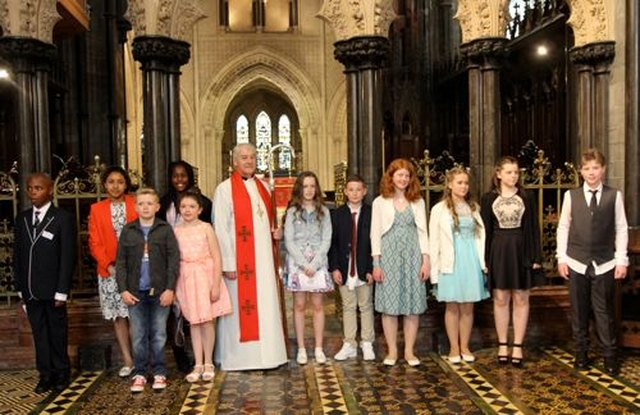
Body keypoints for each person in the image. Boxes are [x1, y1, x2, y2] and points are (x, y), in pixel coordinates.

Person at [212, 143, 287, 371]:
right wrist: (228, 262)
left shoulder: (264, 186)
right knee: (240, 309)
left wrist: (277, 233)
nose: (248, 161)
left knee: (266, 305)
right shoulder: (224, 189)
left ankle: (270, 354)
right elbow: (220, 229)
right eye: (244, 157)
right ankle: (240, 358)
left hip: (264, 263)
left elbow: (270, 221)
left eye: (252, 157)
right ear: (234, 161)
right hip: (240, 263)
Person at [556, 148, 628, 376]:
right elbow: (563, 227)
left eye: (595, 168)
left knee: (603, 310)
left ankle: (609, 355)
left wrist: (621, 260)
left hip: (605, 263)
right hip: (576, 261)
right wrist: (561, 257)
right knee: (578, 310)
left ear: (603, 169)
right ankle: (581, 353)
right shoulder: (571, 196)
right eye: (587, 168)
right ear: (580, 171)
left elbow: (621, 228)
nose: (591, 172)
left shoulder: (614, 195)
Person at [13, 172, 76, 394]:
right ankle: (45, 374)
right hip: (30, 290)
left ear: (49, 190)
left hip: (53, 290)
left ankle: (61, 372)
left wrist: (62, 291)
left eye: (38, 188)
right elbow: (18, 255)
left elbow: (67, 257)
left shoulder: (62, 218)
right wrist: (21, 288)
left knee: (57, 332)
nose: (33, 192)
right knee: (39, 334)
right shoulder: (22, 218)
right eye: (30, 188)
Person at [116, 187, 180, 392]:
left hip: (160, 291)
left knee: (159, 332)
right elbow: (121, 263)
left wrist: (170, 288)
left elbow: (173, 260)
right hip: (135, 292)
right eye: (141, 203)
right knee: (138, 334)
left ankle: (160, 371)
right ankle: (140, 372)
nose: (145, 207)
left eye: (149, 203)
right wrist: (123, 290)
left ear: (157, 207)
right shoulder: (128, 230)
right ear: (135, 207)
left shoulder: (164, 229)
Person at [481, 156, 542, 367]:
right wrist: (485, 258)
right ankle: (502, 344)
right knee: (500, 298)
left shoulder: (527, 196)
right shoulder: (489, 198)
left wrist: (535, 257)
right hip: (498, 249)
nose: (513, 176)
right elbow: (485, 230)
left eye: (516, 172)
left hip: (520, 248)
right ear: (498, 174)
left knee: (521, 298)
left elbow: (533, 227)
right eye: (508, 172)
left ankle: (518, 345)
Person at [371, 158, 430, 367]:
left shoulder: (418, 201)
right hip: (389, 257)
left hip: (413, 256)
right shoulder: (380, 202)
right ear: (391, 177)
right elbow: (375, 234)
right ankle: (393, 351)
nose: (403, 179)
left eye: (407, 175)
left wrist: (426, 261)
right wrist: (376, 264)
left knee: (411, 306)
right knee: (390, 306)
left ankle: (409, 351)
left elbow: (423, 232)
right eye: (399, 175)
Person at [157, 160, 212, 373]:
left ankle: (204, 357)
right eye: (175, 176)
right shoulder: (163, 204)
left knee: (200, 313)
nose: (179, 180)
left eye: (183, 175)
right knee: (177, 311)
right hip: (172, 263)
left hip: (197, 264)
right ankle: (181, 355)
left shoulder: (205, 203)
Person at [429, 167, 489, 363]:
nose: (463, 186)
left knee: (468, 307)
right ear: (449, 184)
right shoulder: (439, 210)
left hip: (470, 260)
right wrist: (434, 272)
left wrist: (483, 263)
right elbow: (434, 242)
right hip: (450, 262)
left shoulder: (473, 207)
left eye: (466, 183)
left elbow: (480, 238)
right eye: (459, 182)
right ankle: (453, 348)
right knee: (453, 306)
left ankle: (465, 345)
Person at [174, 191, 232, 382]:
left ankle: (209, 361)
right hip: (186, 278)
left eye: (192, 207)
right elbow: (174, 260)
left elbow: (216, 256)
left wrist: (216, 284)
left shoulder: (206, 227)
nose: (187, 210)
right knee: (194, 321)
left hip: (206, 277)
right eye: (183, 207)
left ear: (199, 209)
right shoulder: (176, 230)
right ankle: (197, 363)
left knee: (207, 321)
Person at [88, 166, 137, 378]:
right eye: (111, 181)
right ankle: (128, 360)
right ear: (105, 184)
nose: (115, 185)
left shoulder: (136, 204)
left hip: (136, 268)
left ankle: (141, 359)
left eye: (120, 181)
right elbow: (94, 241)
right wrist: (108, 265)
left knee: (137, 315)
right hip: (110, 271)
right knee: (119, 316)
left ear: (126, 184)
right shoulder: (96, 209)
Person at [283, 171, 333, 365]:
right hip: (298, 265)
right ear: (299, 188)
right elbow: (289, 240)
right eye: (305, 186)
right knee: (299, 305)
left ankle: (319, 348)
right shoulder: (292, 212)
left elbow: (326, 238)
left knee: (318, 306)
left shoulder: (324, 212)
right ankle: (302, 348)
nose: (309, 190)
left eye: (312, 186)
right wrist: (304, 264)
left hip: (318, 264)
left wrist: (315, 263)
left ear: (317, 188)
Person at [328, 174, 376, 362]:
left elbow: (375, 243)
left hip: (364, 267)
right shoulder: (337, 214)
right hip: (345, 267)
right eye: (351, 190)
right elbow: (333, 244)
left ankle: (367, 342)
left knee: (365, 306)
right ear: (345, 192)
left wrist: (372, 268)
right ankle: (349, 344)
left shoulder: (371, 213)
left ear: (364, 191)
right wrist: (335, 268)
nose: (355, 193)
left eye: (358, 189)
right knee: (348, 306)